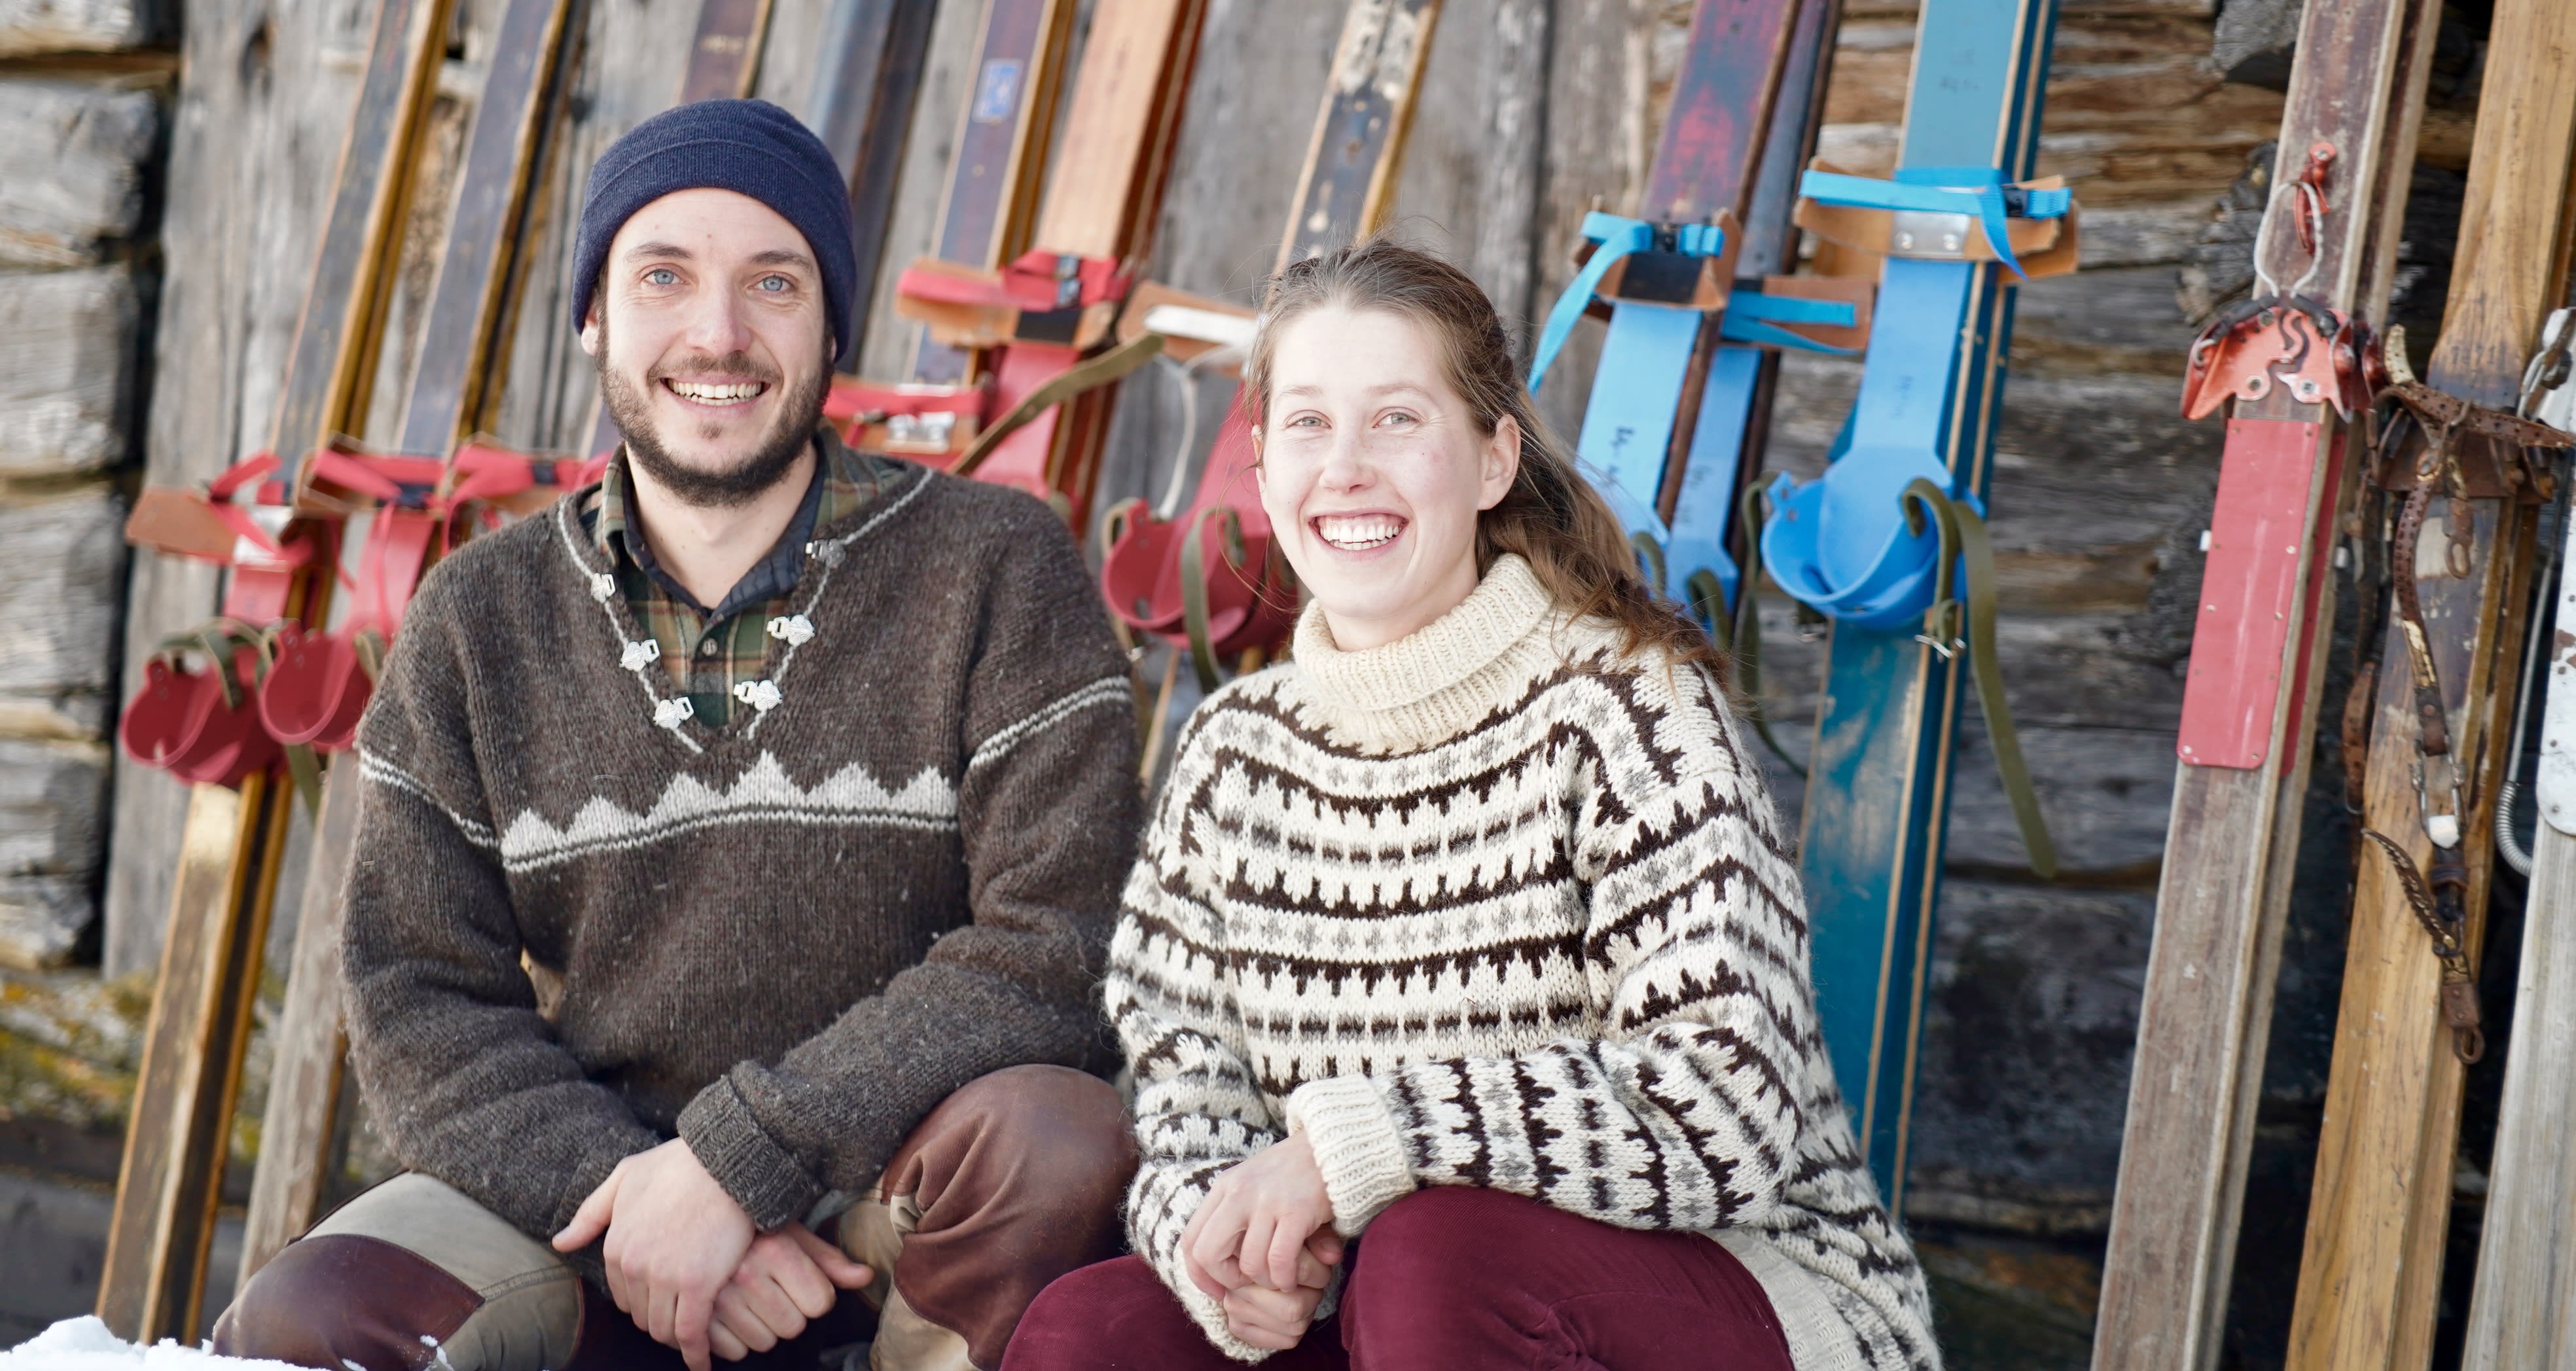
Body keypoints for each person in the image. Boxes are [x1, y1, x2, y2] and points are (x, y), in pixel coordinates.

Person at [216, 99, 1142, 1371]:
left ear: (832, 328)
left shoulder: (995, 569)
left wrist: (740, 1165)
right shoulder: (479, 619)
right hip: (592, 1199)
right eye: (663, 277)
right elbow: (419, 995)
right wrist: (642, 1203)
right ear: (595, 316)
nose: (718, 333)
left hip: (889, 1197)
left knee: (1058, 1142)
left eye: (774, 281)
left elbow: (1060, 947)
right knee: (311, 1320)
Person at [1002, 241, 1939, 1371]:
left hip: (1739, 1288)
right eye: (1307, 424)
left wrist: (1364, 1141)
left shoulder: (1625, 708)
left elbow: (1722, 1111)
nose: (1344, 468)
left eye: (1396, 419)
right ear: (1260, 463)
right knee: (1091, 1333)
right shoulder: (1229, 756)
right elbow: (1183, 1101)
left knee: (1435, 1256)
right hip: (1392, 1312)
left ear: (1494, 459)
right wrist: (1220, 1251)